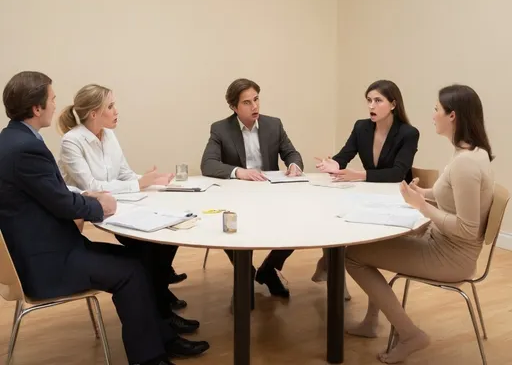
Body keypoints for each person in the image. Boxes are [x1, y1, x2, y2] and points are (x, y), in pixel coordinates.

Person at [0, 71, 209, 365]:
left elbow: (55, 193)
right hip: (46, 263)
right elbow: (61, 201)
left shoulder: (12, 140)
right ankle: (150, 358)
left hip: (41, 249)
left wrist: (93, 199)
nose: (56, 104)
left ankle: (162, 338)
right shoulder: (26, 148)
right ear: (36, 108)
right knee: (133, 271)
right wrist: (99, 206)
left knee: (138, 260)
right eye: (52, 99)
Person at [345, 84, 494, 364]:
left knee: (352, 256)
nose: (433, 115)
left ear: (453, 116)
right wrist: (422, 194)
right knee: (367, 245)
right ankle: (370, 322)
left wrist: (422, 206)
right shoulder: (472, 153)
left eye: (437, 109)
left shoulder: (465, 165)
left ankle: (410, 334)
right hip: (442, 244)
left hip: (450, 257)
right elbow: (448, 197)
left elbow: (467, 228)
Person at [58, 83, 195, 334]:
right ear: (94, 114)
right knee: (147, 248)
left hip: (119, 206)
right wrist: (138, 183)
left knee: (166, 236)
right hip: (92, 212)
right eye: (110, 106)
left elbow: (125, 174)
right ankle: (161, 313)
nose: (116, 111)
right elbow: (91, 186)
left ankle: (160, 301)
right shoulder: (72, 141)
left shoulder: (109, 135)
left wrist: (151, 180)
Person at [200, 78, 304, 302]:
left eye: (256, 99)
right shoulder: (221, 128)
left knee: (299, 222)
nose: (254, 106)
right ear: (234, 107)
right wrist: (239, 171)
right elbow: (207, 164)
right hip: (236, 196)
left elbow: (291, 154)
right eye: (247, 102)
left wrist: (294, 165)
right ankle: (245, 273)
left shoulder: (273, 124)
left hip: (270, 193)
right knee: (230, 225)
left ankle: (268, 269)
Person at [314, 80, 420, 289]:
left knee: (350, 220)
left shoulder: (408, 133)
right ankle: (333, 272)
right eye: (369, 100)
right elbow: (344, 156)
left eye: (378, 101)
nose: (371, 106)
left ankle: (328, 266)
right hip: (370, 192)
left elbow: (398, 173)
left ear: (393, 104)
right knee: (334, 213)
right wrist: (332, 164)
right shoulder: (361, 127)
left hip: (395, 197)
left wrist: (359, 175)